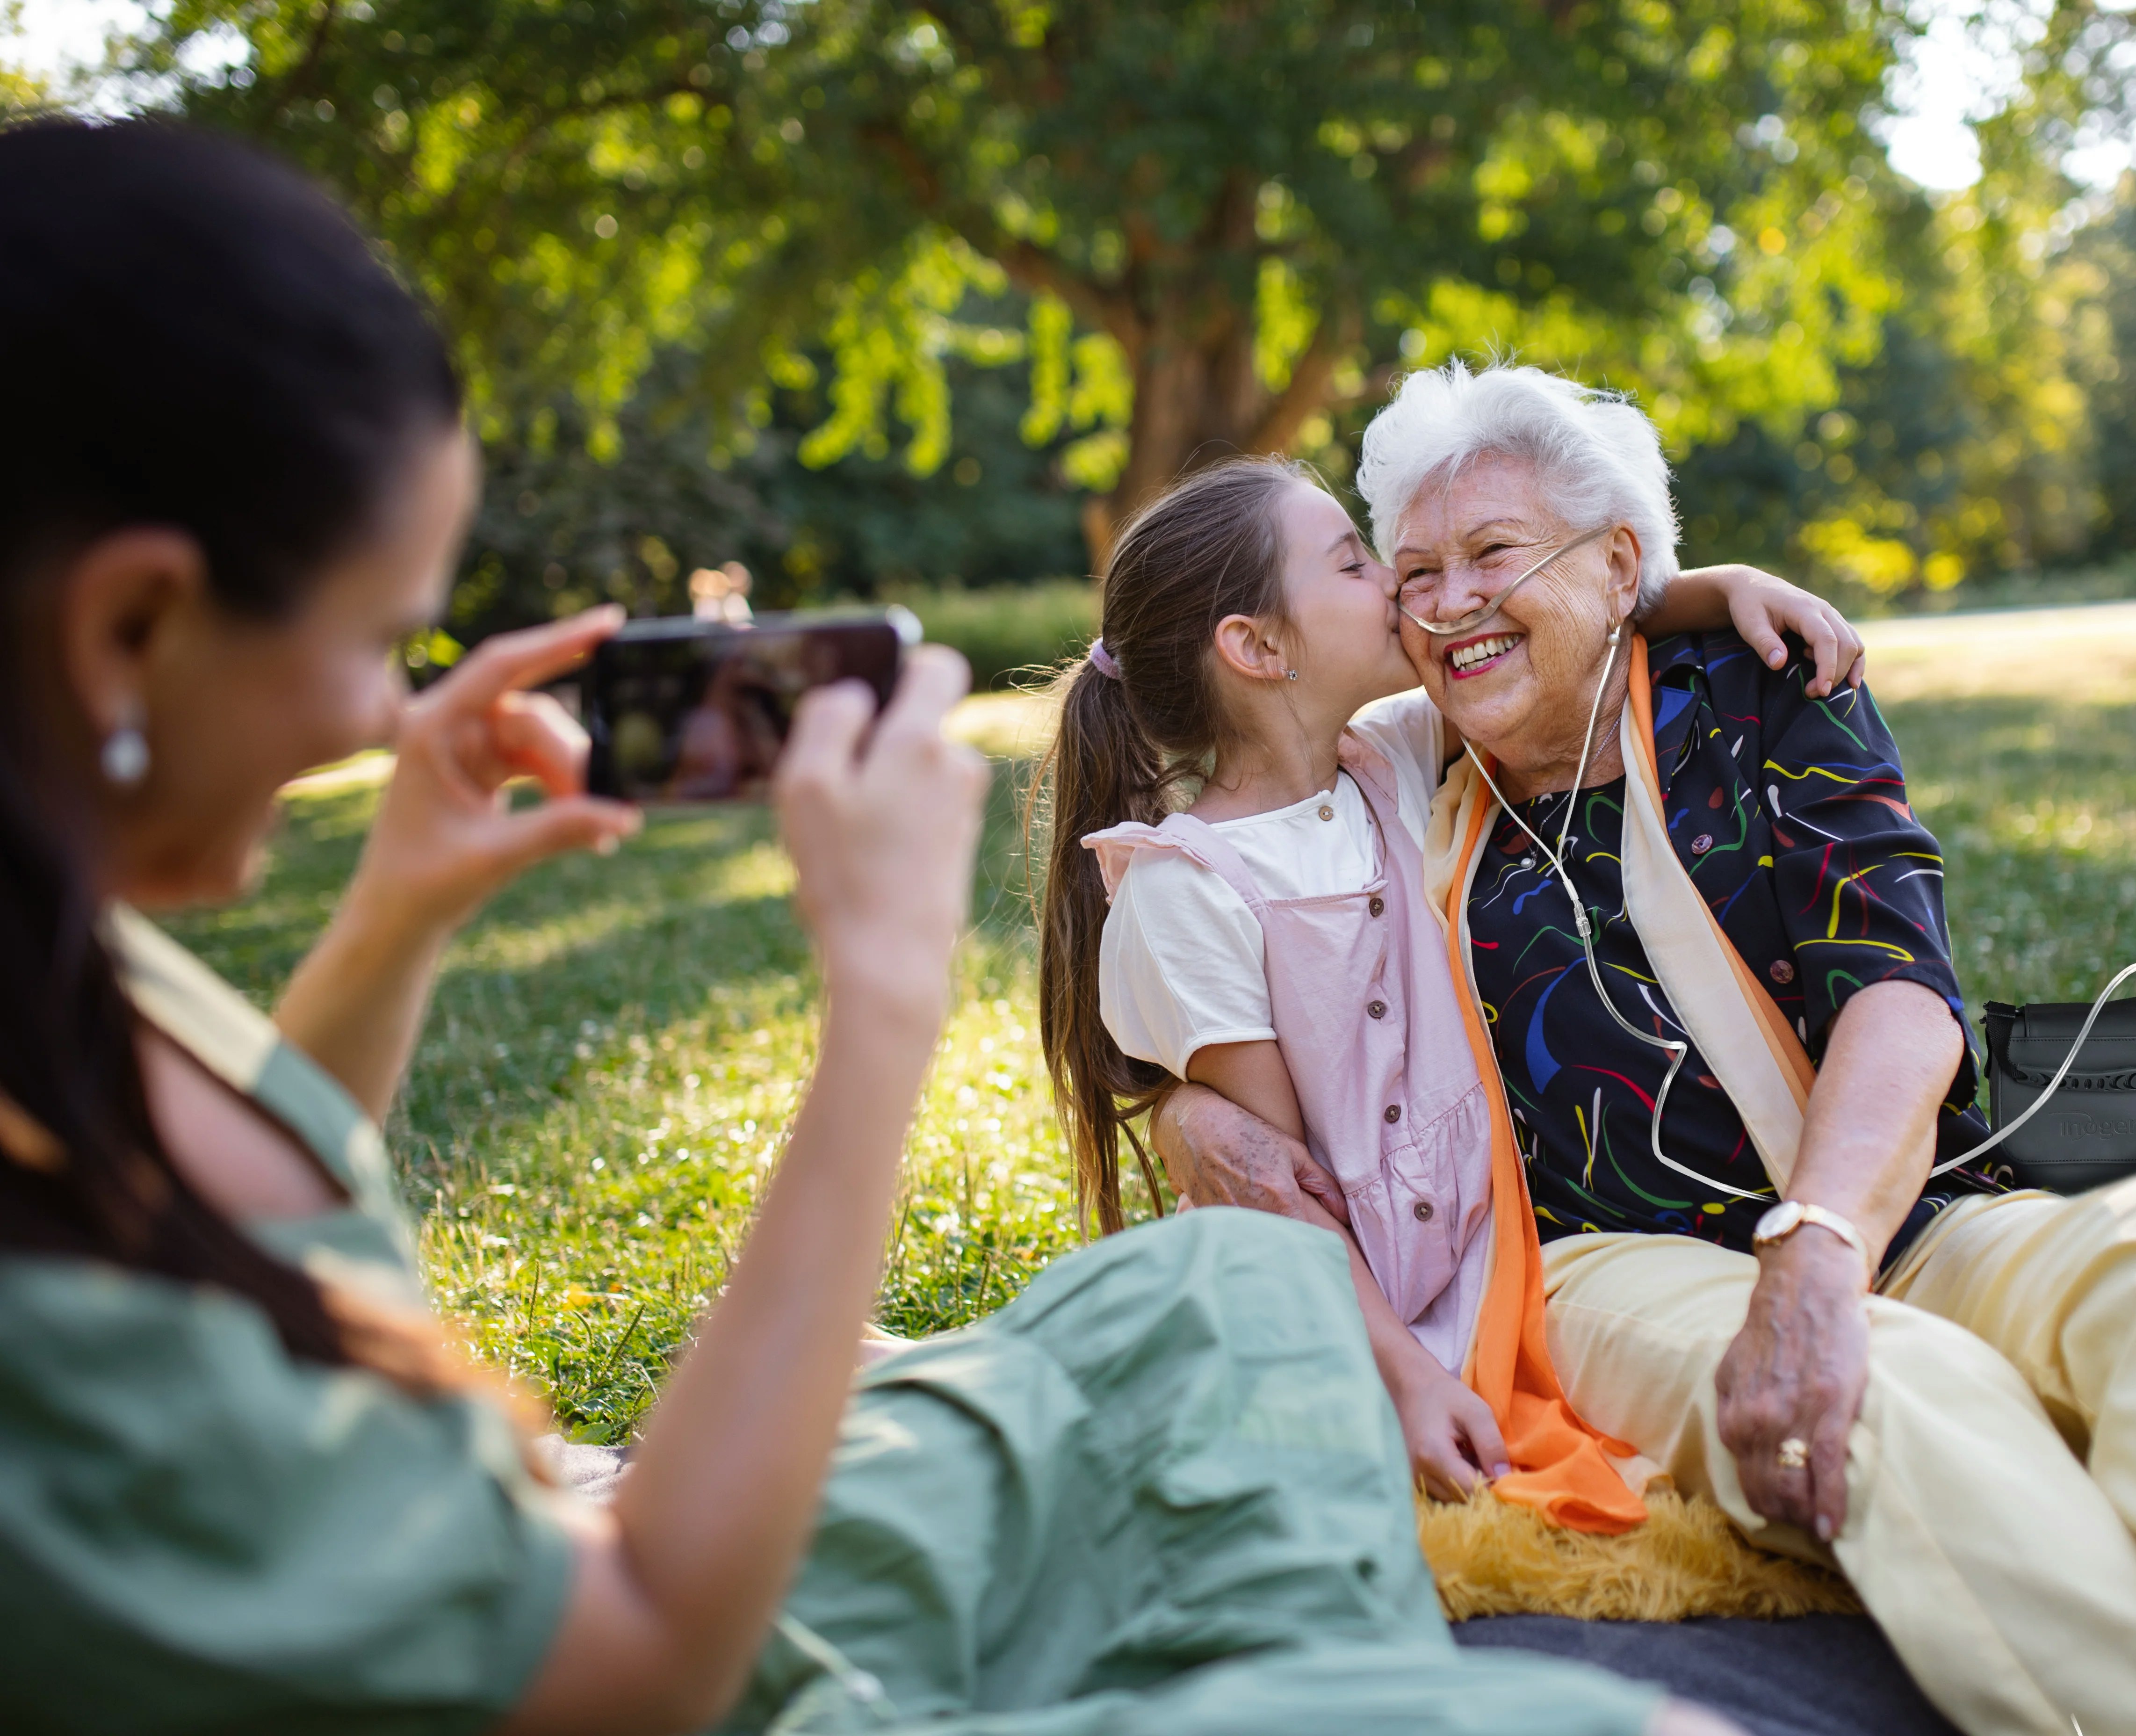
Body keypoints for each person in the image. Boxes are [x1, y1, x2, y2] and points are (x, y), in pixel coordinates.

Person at [0, 121, 1737, 1736]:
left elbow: (239, 1208)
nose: (383, 712)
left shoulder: (62, 960)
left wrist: (395, 907)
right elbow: (630, 1662)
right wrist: (882, 996)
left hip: (579, 1548)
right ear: (132, 624)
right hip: (658, 1641)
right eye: (382, 636)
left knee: (1220, 1294)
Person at [1156, 362, 2136, 1736]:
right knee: (1900, 1393)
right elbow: (1224, 899)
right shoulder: (1395, 776)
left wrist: (1822, 1243)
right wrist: (1185, 1116)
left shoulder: (1768, 692)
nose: (1451, 603)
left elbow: (1899, 994)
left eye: (1495, 555)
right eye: (1414, 577)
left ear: (1618, 571)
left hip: (1875, 1208)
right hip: (1591, 1271)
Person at [1032, 456, 1862, 1506]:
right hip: (1351, 1313)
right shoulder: (1185, 892)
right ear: (1255, 646)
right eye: (1352, 562)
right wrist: (1412, 1380)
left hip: (1495, 1262)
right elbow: (1280, 1197)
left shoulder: (1392, 755)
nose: (1397, 581)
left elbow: (1556, 620)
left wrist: (1722, 584)